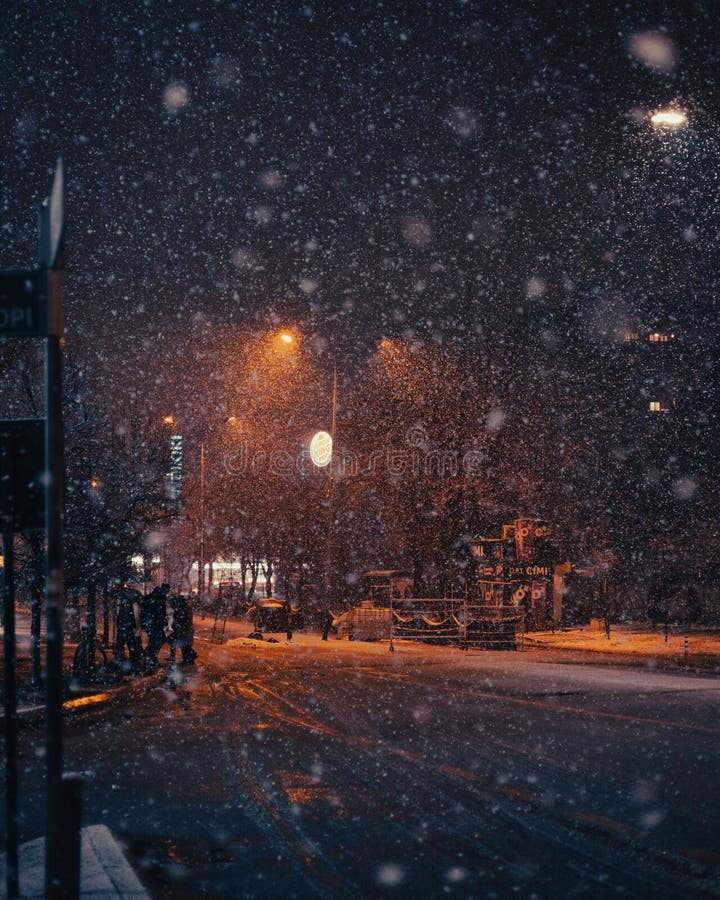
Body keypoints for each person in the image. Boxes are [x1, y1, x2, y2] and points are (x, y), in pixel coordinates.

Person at [115, 586, 143, 672]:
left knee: (123, 645)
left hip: (125, 627)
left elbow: (121, 616)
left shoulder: (123, 602)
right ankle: (129, 663)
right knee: (131, 645)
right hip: (129, 627)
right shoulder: (132, 604)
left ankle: (121, 662)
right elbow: (134, 617)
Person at [142, 584, 170, 667]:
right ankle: (149, 656)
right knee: (157, 641)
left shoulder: (158, 597)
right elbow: (158, 611)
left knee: (155, 641)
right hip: (154, 623)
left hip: (152, 623)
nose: (167, 592)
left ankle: (150, 656)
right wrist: (161, 620)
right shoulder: (159, 598)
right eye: (167, 590)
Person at [170, 594, 196, 664]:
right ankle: (188, 658)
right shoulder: (185, 608)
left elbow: (183, 619)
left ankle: (189, 657)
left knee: (184, 645)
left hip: (184, 630)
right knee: (185, 645)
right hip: (185, 630)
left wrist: (179, 626)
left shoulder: (182, 609)